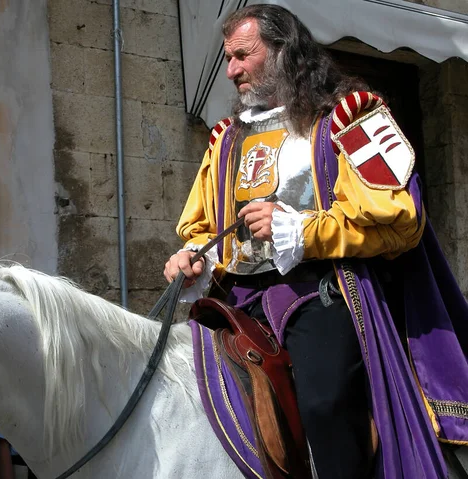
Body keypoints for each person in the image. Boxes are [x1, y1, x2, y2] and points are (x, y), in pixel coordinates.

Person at [164, 4, 468, 478]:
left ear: (283, 51)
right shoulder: (225, 141)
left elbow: (402, 218)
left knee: (326, 402)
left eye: (243, 56)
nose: (231, 71)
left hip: (316, 290)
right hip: (236, 298)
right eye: (228, 59)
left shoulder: (348, 116)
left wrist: (301, 228)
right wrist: (191, 256)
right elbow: (203, 227)